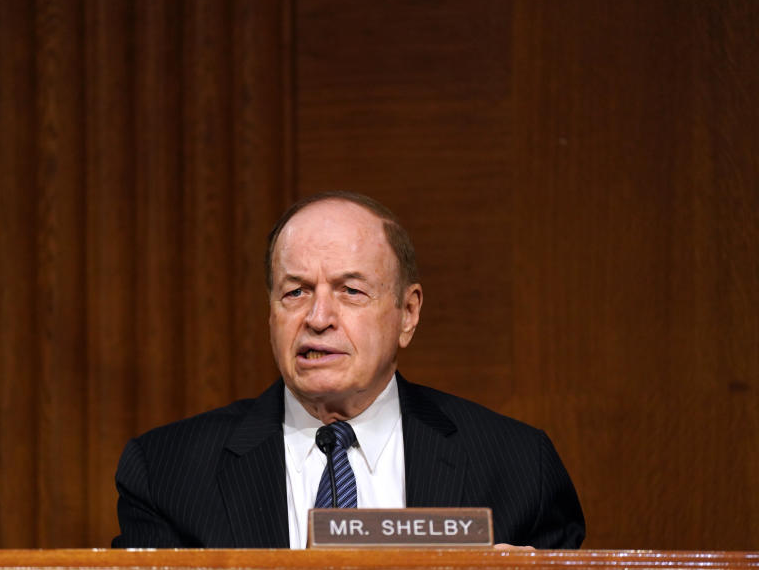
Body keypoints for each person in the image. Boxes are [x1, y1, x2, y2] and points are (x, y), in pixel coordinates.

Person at [112, 191, 585, 549]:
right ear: (270, 312)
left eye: (350, 291)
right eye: (295, 292)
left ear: (408, 313)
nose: (318, 318)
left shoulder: (518, 467)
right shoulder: (167, 474)